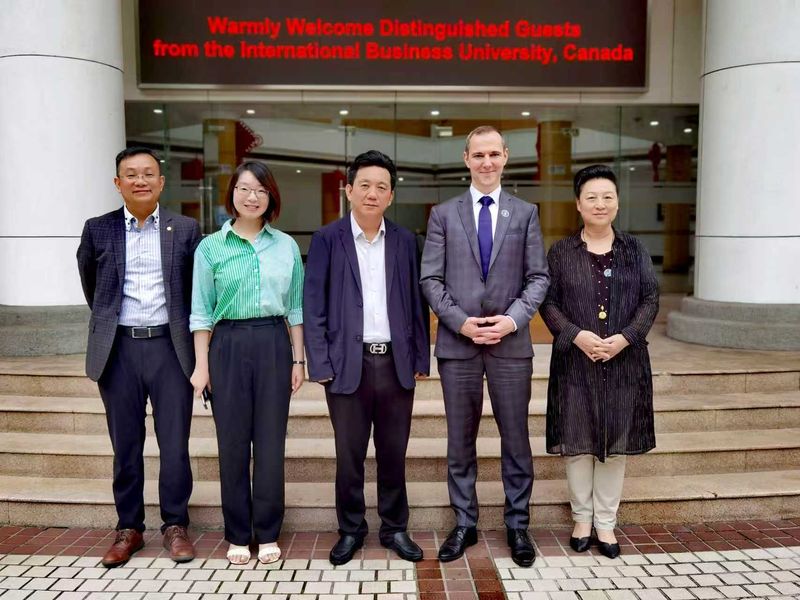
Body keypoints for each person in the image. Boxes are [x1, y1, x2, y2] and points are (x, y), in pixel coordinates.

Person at [420, 126, 549, 567]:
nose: (487, 162)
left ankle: (518, 525)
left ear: (506, 156)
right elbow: (430, 279)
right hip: (459, 346)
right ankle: (464, 523)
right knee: (460, 440)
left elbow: (538, 278)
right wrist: (461, 322)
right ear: (466, 159)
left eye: (494, 153)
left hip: (510, 346)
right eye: (478, 155)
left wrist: (511, 321)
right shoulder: (443, 214)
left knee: (516, 439)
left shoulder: (526, 213)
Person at [304, 150, 430, 565]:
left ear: (391, 195)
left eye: (381, 187)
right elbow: (313, 305)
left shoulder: (405, 241)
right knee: (350, 455)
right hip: (347, 364)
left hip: (395, 363)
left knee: (394, 452)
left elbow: (416, 303)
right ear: (348, 190)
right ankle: (351, 530)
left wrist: (420, 358)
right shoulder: (327, 239)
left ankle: (394, 528)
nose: (372, 193)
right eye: (364, 185)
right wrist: (319, 363)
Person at [76, 147, 200, 567]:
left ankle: (175, 525)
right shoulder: (98, 229)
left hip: (170, 348)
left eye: (148, 173)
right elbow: (92, 285)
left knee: (175, 444)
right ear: (118, 183)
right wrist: (111, 324)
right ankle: (129, 528)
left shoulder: (186, 229)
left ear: (161, 182)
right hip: (119, 350)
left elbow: (194, 289)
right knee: (125, 445)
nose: (140, 180)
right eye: (131, 174)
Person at [539, 164, 659, 559]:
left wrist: (624, 339)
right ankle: (581, 519)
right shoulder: (561, 252)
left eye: (607, 196)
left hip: (623, 362)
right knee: (577, 442)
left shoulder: (634, 249)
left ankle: (606, 523)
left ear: (617, 202)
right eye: (591, 197)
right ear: (578, 204)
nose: (600, 203)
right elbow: (548, 303)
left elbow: (650, 299)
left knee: (615, 444)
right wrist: (577, 335)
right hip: (575, 363)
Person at [189, 161, 305, 565]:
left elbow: (295, 307)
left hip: (273, 342)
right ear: (232, 194)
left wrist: (298, 359)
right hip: (227, 345)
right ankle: (238, 534)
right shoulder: (210, 247)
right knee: (233, 444)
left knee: (271, 443)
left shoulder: (286, 246)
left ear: (271, 196)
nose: (252, 197)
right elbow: (201, 312)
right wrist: (201, 366)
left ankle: (268, 531)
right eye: (244, 189)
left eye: (260, 190)